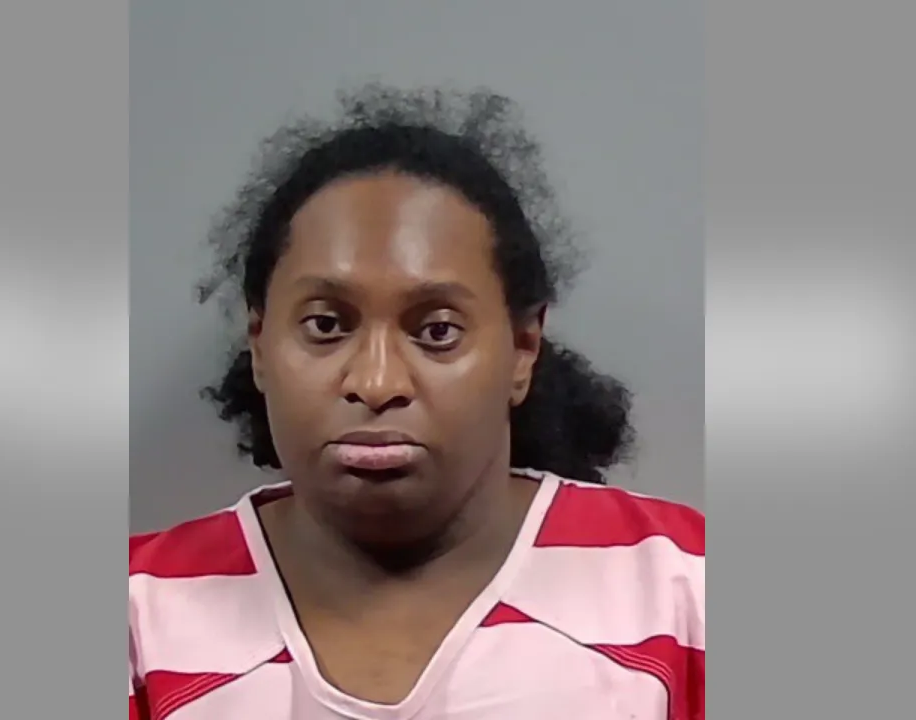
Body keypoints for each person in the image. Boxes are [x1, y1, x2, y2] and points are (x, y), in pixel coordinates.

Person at [129, 84, 704, 720]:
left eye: (437, 331)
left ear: (522, 349)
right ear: (260, 344)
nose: (377, 383)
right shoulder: (139, 616)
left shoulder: (685, 589)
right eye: (326, 326)